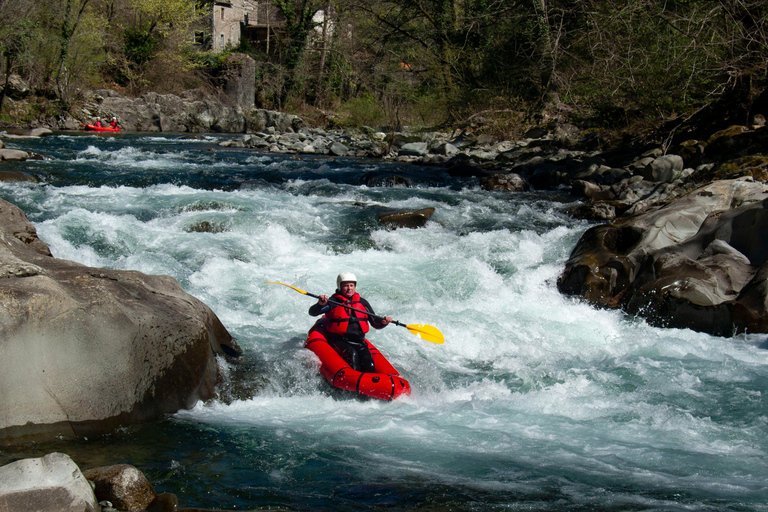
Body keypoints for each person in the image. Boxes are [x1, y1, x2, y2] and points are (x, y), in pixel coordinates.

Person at [309, 272, 392, 372]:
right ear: (340, 286)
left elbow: (375, 323)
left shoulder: (362, 302)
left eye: (352, 285)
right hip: (339, 341)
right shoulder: (332, 302)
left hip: (359, 341)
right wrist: (320, 304)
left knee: (368, 361)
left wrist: (384, 322)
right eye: (346, 286)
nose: (349, 289)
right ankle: (353, 383)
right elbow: (313, 312)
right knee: (352, 355)